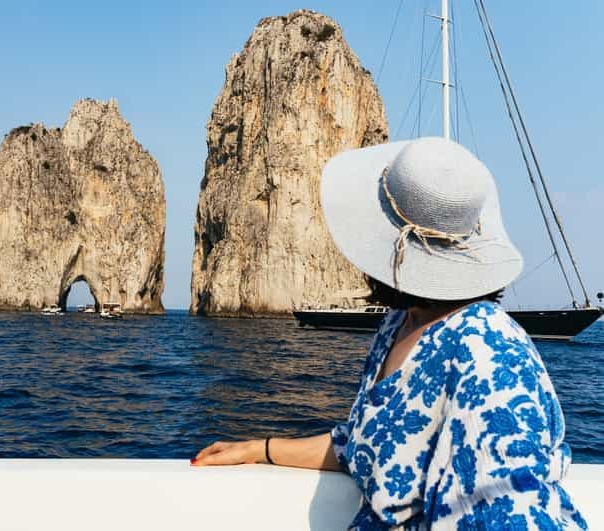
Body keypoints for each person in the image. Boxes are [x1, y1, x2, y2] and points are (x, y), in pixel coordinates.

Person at [192, 138, 587, 529]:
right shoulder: (399, 323)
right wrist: (260, 449)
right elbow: (367, 446)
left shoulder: (489, 353)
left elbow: (510, 514)